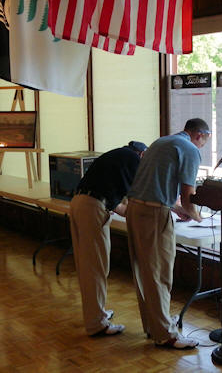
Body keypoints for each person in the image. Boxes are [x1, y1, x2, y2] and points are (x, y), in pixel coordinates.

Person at [125, 118, 210, 349]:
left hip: (135, 208)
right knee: (160, 273)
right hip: (153, 214)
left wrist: (177, 209)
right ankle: (166, 334)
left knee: (144, 273)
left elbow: (155, 185)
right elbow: (188, 197)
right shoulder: (190, 149)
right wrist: (198, 216)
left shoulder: (161, 142)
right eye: (204, 142)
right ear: (199, 135)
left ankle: (154, 325)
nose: (202, 147)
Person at [69, 141, 148, 336]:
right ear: (142, 154)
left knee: (88, 265)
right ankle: (97, 324)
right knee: (96, 267)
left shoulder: (116, 156)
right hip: (93, 207)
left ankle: (97, 313)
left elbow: (118, 205)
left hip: (80, 203)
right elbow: (140, 195)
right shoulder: (133, 159)